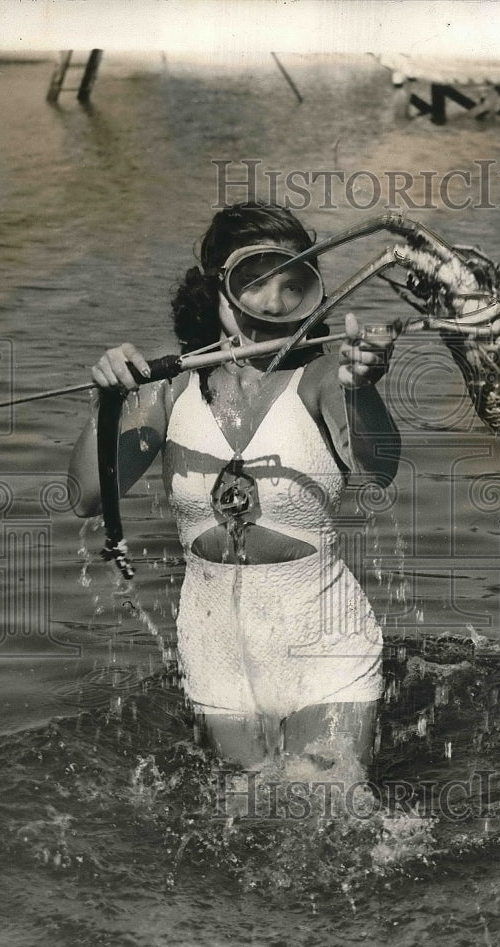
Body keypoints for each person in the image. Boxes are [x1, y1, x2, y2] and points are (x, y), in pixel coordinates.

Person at [68, 202, 400, 772]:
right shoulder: (168, 388)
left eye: (291, 284)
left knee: (325, 805)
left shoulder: (323, 375)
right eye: (253, 283)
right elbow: (87, 498)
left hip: (323, 638)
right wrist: (108, 402)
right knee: (255, 818)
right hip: (213, 645)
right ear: (216, 286)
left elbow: (379, 469)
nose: (271, 304)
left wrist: (362, 386)